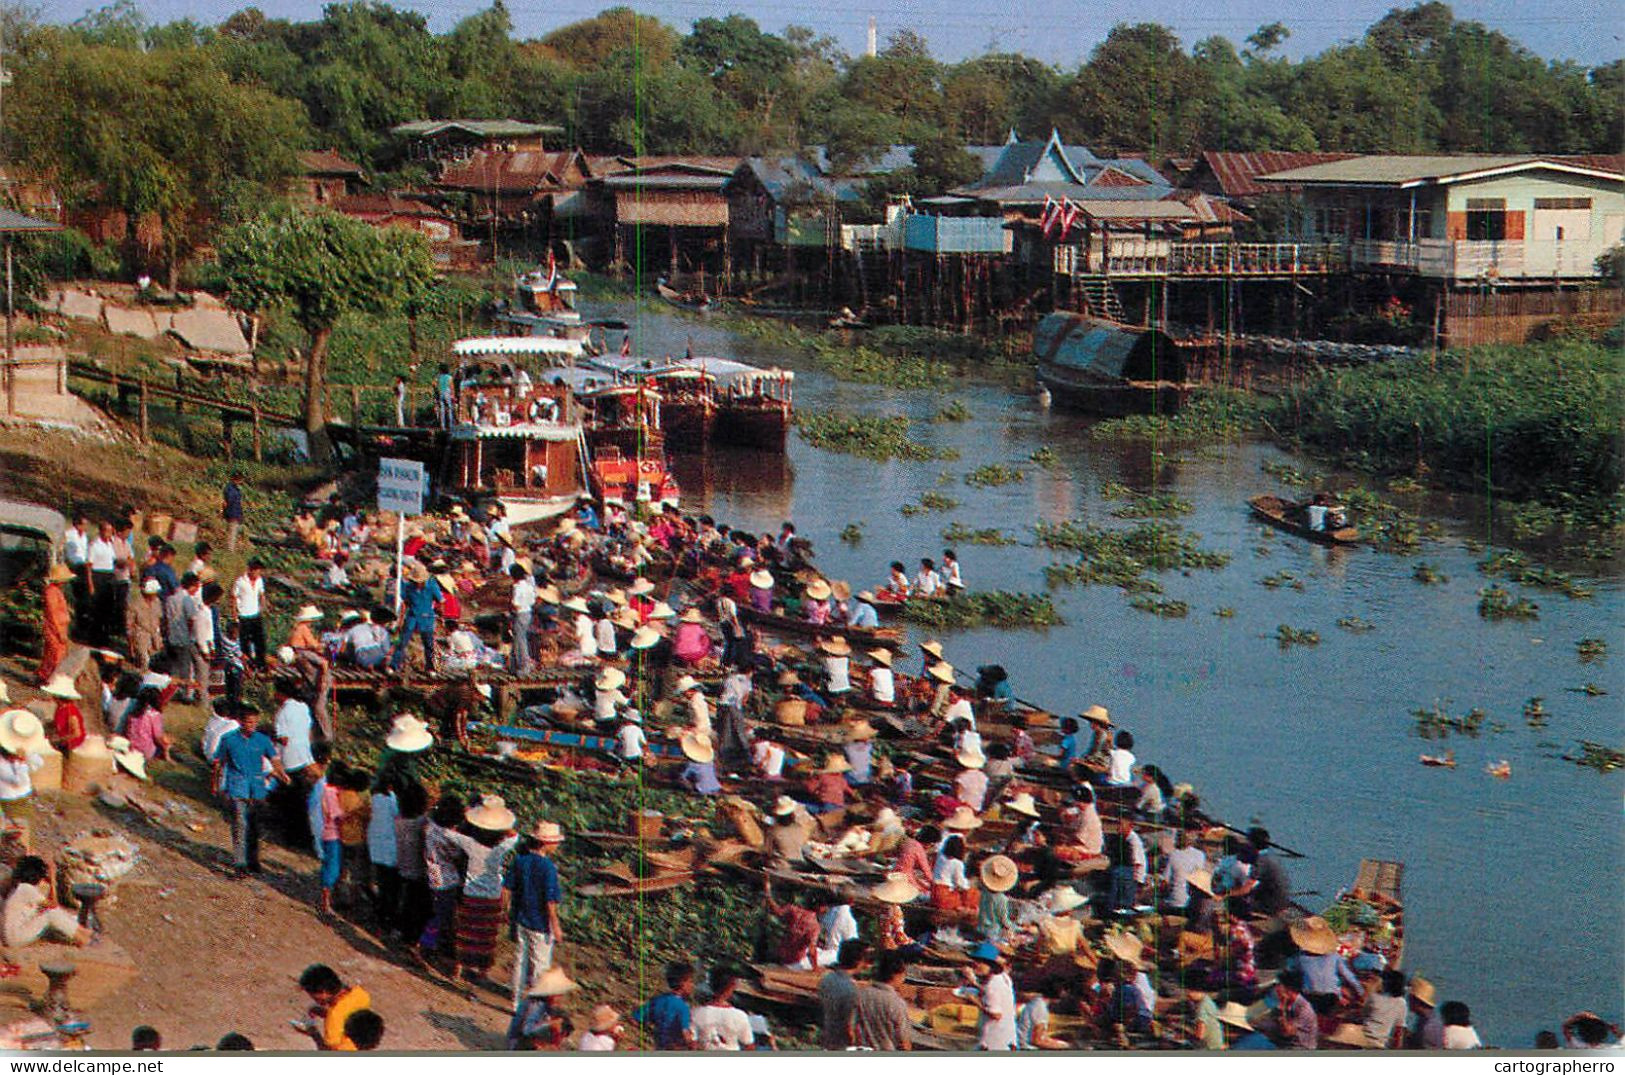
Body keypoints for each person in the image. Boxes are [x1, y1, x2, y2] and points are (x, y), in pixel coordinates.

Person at [446, 795, 521, 987]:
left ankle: (458, 968)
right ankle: (482, 972)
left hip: (471, 894)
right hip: (492, 896)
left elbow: (448, 833)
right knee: (487, 935)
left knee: (466, 931)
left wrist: (467, 817)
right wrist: (504, 823)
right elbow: (515, 836)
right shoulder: (500, 848)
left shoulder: (470, 843)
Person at [211, 705, 290, 876]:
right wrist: (216, 785)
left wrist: (282, 774)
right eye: (248, 722)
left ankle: (253, 859)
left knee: (254, 826)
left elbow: (274, 759)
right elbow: (219, 763)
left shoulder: (262, 740)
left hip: (257, 788)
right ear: (240, 722)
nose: (252, 725)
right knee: (240, 824)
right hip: (237, 786)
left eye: (255, 722)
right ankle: (240, 863)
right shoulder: (228, 739)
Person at [506, 819, 566, 1010]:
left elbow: (506, 888)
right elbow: (550, 901)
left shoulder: (520, 861)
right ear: (546, 843)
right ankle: (535, 1006)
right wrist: (555, 925)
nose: (557, 845)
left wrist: (505, 911)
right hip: (540, 923)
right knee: (540, 965)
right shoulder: (548, 868)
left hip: (521, 919)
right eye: (555, 842)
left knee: (520, 960)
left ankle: (515, 1001)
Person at [2, 856, 91, 947]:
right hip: (15, 937)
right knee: (51, 913)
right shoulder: (26, 889)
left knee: (52, 911)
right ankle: (82, 937)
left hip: (15, 934)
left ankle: (82, 932)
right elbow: (54, 904)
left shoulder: (23, 888)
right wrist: (52, 879)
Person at [296, 964, 372, 1051]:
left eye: (314, 997)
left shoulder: (334, 1017)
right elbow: (347, 1014)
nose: (315, 1000)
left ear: (323, 992)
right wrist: (326, 1014)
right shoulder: (360, 994)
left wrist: (313, 1032)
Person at [850, 949, 911, 1051]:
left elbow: (850, 1030)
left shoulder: (859, 995)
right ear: (897, 974)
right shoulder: (896, 1003)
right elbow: (903, 1043)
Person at [633, 961, 696, 1050]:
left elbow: (637, 1018)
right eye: (690, 981)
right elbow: (685, 1033)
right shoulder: (682, 1007)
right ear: (682, 983)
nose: (692, 985)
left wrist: (652, 1032)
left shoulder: (657, 1000)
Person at [817, 939, 868, 1049]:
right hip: (841, 1044)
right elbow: (848, 1026)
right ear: (858, 961)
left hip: (827, 1036)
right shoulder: (850, 990)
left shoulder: (827, 979)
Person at [391, 562, 442, 672]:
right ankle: (394, 665)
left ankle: (431, 667)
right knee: (402, 641)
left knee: (428, 643)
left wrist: (438, 615)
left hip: (427, 616)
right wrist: (400, 620)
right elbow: (406, 603)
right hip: (412, 616)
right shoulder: (409, 588)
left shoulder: (432, 586)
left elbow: (440, 601)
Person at [691, 966, 755, 1051]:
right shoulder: (740, 1016)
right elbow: (749, 1046)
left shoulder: (696, 1013)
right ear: (733, 986)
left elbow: (692, 1043)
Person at [968, 942, 1016, 1051]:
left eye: (981, 963)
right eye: (975, 962)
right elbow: (995, 996)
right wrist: (975, 984)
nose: (976, 966)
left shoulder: (992, 985)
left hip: (994, 1040)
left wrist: (975, 1002)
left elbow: (996, 1015)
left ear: (991, 965)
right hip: (1008, 1037)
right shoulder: (1004, 978)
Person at [37, 562, 73, 684]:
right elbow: (52, 614)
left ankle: (46, 677)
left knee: (55, 654)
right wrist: (59, 632)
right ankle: (46, 679)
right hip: (55, 627)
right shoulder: (51, 591)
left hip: (60, 626)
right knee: (55, 655)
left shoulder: (56, 591)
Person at [1247, 826, 1292, 917]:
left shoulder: (1260, 860)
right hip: (1283, 899)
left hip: (1271, 905)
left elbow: (1247, 886)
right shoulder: (1272, 855)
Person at [232, 560, 268, 669]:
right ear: (250, 570)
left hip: (255, 614)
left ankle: (261, 664)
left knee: (260, 640)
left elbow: (261, 594)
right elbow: (233, 597)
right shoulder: (240, 581)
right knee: (245, 641)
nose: (257, 573)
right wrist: (234, 613)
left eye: (259, 571)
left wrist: (262, 606)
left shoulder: (259, 580)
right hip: (244, 615)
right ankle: (248, 665)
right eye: (256, 570)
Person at [1363, 970, 1410, 1048]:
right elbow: (1399, 1030)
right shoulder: (1401, 1003)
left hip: (1363, 1038)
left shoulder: (1374, 997)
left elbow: (1364, 1015)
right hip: (1380, 1043)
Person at [1274, 968, 1318, 1050]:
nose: (1276, 989)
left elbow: (1287, 1032)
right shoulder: (1291, 1003)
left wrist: (1282, 1008)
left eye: (1279, 985)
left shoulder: (1304, 1008)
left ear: (1288, 989)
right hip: (1288, 1045)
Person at [127, 577, 164, 671]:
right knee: (145, 663)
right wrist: (131, 646)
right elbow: (129, 625)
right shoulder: (134, 604)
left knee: (157, 663)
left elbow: (159, 619)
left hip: (155, 638)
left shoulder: (157, 602)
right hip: (141, 637)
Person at [509, 565, 536, 675]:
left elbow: (515, 603)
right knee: (521, 639)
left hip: (520, 614)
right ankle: (515, 665)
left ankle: (523, 667)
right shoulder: (529, 586)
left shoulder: (517, 587)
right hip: (528, 613)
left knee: (520, 641)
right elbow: (532, 601)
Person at [222, 475, 244, 553]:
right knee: (232, 531)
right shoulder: (231, 489)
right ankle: (230, 549)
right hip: (233, 512)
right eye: (239, 480)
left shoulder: (234, 489)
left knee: (232, 531)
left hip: (235, 513)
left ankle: (230, 548)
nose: (240, 482)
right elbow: (230, 502)